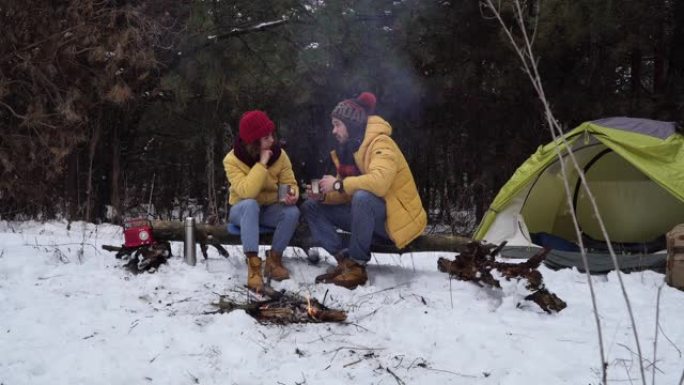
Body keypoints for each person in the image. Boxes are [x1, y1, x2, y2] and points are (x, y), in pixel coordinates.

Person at [301, 92, 427, 289]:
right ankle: (345, 261)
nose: (333, 131)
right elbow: (345, 192)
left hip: (393, 224)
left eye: (337, 124)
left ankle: (357, 266)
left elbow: (379, 183)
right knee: (311, 206)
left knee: (363, 197)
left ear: (350, 125)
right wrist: (324, 195)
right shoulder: (349, 151)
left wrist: (337, 184)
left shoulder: (381, 143)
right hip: (367, 220)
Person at [223, 110, 300, 293]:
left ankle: (274, 260)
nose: (272, 140)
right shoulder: (232, 160)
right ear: (254, 141)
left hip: (268, 209)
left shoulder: (280, 156)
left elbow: (290, 183)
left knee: (292, 212)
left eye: (271, 135)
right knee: (251, 204)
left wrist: (292, 194)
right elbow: (247, 192)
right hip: (241, 210)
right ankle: (254, 267)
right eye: (266, 137)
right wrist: (262, 164)